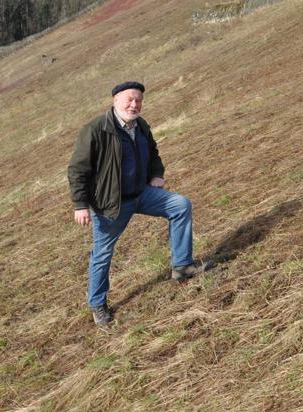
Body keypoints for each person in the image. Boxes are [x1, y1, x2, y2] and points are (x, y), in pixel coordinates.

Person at [68, 81, 210, 326]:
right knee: (102, 254)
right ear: (115, 101)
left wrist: (156, 173)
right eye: (129, 100)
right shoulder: (95, 130)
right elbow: (78, 169)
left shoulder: (140, 126)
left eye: (139, 100)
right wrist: (80, 204)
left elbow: (153, 152)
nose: (134, 105)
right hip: (111, 204)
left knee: (180, 205)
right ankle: (97, 303)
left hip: (142, 194)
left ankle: (182, 266)